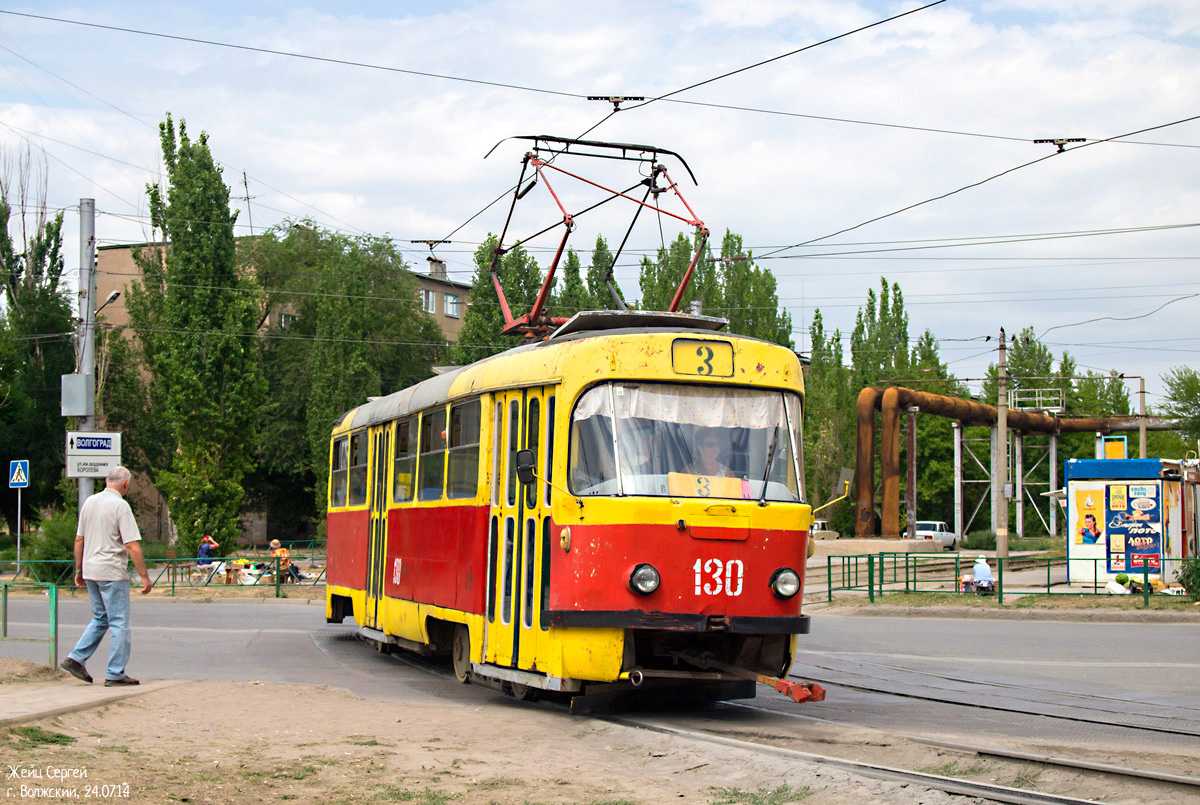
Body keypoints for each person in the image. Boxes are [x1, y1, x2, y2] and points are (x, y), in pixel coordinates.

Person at [60, 466, 152, 687]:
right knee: (119, 622)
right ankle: (115, 672)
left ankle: (75, 658)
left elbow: (79, 539)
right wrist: (144, 576)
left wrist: (79, 570)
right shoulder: (121, 505)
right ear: (126, 484)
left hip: (91, 570)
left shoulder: (89, 502)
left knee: (101, 618)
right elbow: (131, 544)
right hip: (111, 571)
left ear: (105, 480)